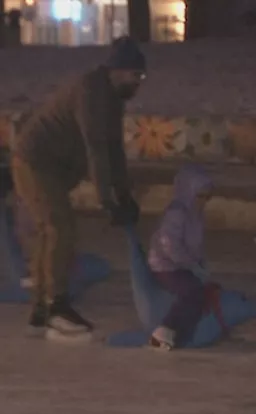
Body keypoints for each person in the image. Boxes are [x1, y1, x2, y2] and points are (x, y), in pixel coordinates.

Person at [10, 36, 145, 342]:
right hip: (35, 162)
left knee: (52, 231)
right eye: (135, 75)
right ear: (117, 70)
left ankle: (42, 312)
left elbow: (114, 151)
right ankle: (56, 306)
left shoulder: (111, 98)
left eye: (141, 77)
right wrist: (107, 200)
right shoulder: (92, 92)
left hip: (54, 168)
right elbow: (96, 148)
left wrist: (124, 195)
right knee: (59, 228)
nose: (138, 83)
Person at [147, 164, 215, 351]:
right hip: (165, 266)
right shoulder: (177, 212)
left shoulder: (196, 214)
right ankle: (165, 330)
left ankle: (187, 333)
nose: (204, 201)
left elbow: (196, 244)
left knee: (203, 290)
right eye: (201, 196)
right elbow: (169, 243)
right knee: (191, 292)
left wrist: (200, 262)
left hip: (183, 265)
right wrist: (189, 263)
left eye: (208, 196)